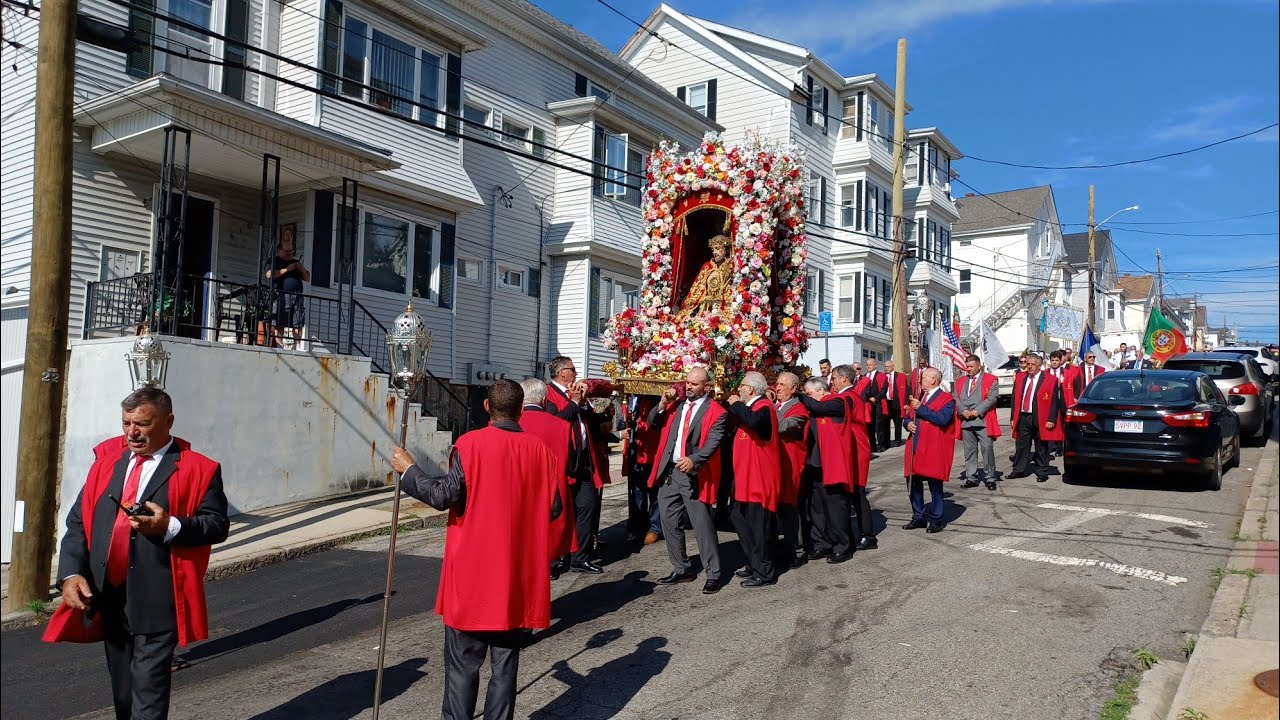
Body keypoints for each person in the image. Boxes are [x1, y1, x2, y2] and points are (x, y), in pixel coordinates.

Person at [45, 388, 230, 720]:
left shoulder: (198, 468)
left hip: (159, 594)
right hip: (108, 594)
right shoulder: (107, 463)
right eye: (126, 423)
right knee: (124, 693)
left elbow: (217, 525)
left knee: (148, 688)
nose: (132, 432)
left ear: (168, 421)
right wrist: (71, 574)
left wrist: (169, 525)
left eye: (142, 424)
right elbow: (78, 522)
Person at [392, 379, 561, 720]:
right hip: (515, 576)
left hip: (474, 576)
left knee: (462, 668)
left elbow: (443, 495)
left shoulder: (470, 445)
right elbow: (554, 509)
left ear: (487, 407)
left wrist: (409, 471)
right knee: (504, 667)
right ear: (520, 410)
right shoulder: (541, 450)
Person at [647, 367, 729, 594]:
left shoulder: (717, 412)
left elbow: (714, 443)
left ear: (706, 386)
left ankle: (713, 573)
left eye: (694, 384)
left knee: (702, 525)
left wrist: (694, 460)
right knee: (669, 521)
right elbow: (652, 422)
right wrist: (662, 403)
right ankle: (681, 568)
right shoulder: (677, 405)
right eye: (687, 383)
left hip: (694, 474)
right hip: (671, 473)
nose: (689, 387)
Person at [544, 356, 603, 575]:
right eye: (573, 369)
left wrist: (584, 403)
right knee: (559, 512)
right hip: (562, 464)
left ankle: (581, 557)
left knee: (586, 508)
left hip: (583, 461)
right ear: (561, 373)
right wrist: (574, 403)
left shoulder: (577, 394)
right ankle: (554, 558)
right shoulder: (548, 394)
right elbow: (556, 422)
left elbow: (592, 424)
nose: (576, 373)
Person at [726, 372, 781, 587]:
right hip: (745, 480)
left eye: (741, 386)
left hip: (760, 480)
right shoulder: (750, 408)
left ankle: (764, 571)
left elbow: (755, 422)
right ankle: (753, 562)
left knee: (758, 528)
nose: (738, 389)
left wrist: (737, 405)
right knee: (739, 519)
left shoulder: (764, 407)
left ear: (750, 389)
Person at [517, 378, 577, 577]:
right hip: (551, 489)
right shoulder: (560, 425)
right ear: (544, 400)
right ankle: (548, 563)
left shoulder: (512, 423)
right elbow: (571, 461)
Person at [796, 377, 855, 563]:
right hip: (815, 464)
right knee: (817, 508)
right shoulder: (815, 404)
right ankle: (822, 543)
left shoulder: (837, 402)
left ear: (821, 390)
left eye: (809, 393)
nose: (808, 398)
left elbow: (818, 408)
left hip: (832, 465)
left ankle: (842, 546)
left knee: (836, 508)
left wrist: (797, 394)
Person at [904, 368, 956, 533]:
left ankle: (936, 519)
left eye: (924, 377)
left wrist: (921, 408)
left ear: (933, 380)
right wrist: (907, 424)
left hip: (932, 447)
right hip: (915, 445)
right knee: (914, 483)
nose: (921, 379)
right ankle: (918, 516)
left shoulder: (947, 399)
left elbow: (942, 419)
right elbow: (907, 416)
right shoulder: (919, 396)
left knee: (935, 484)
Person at [833, 364, 876, 551]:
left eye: (834, 377)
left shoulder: (849, 397)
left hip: (856, 450)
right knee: (852, 494)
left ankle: (868, 535)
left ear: (844, 378)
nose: (832, 381)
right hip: (849, 449)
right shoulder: (845, 396)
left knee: (858, 494)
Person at [1009, 353, 1064, 483]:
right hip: (1024, 416)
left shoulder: (1050, 379)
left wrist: (1051, 419)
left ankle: (1042, 472)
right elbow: (1014, 398)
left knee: (1041, 446)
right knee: (1022, 445)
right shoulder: (1021, 377)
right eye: (1028, 364)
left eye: (1032, 364)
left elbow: (1055, 402)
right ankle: (1018, 470)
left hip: (1041, 417)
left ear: (1039, 365)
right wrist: (1013, 417)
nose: (1029, 367)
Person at [775, 372, 810, 567]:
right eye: (776, 384)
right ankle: (785, 547)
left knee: (789, 510)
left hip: (791, 466)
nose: (777, 388)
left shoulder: (799, 410)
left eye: (782, 385)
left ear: (794, 388)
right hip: (776, 465)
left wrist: (768, 406)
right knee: (779, 509)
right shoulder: (778, 406)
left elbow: (782, 427)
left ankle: (797, 550)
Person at [621, 393, 663, 546]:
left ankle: (655, 527)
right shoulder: (632, 398)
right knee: (637, 490)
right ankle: (638, 525)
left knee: (654, 490)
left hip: (653, 447)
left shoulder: (655, 398)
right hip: (636, 447)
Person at [956, 354, 1001, 490]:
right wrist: (963, 411)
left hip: (983, 420)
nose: (968, 369)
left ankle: (990, 477)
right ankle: (971, 477)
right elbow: (955, 398)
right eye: (967, 366)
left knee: (987, 449)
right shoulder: (960, 381)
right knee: (969, 451)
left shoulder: (991, 380)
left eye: (971, 366)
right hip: (966, 422)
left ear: (979, 366)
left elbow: (992, 398)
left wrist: (976, 411)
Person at [262, 232, 310, 348]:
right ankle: (280, 346)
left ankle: (297, 346)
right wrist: (286, 270)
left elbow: (307, 278)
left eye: (291, 251)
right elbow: (269, 274)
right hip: (281, 295)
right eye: (287, 251)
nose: (290, 253)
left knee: (297, 322)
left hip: (297, 296)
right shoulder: (273, 261)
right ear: (279, 251)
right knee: (280, 322)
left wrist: (302, 269)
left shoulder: (295, 262)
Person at [675, 234, 733, 322]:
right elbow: (697, 290)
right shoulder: (707, 267)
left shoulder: (731, 266)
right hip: (705, 310)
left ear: (726, 250)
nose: (714, 252)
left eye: (717, 248)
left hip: (725, 309)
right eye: (713, 250)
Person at [863, 358, 890, 453]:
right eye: (867, 364)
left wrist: (876, 398)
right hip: (868, 405)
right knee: (869, 426)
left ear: (875, 365)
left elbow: (884, 390)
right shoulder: (865, 376)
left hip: (878, 404)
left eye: (870, 364)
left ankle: (881, 445)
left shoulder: (882, 376)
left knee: (879, 426)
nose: (868, 366)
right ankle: (873, 446)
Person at [884, 360, 908, 447]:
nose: (886, 368)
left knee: (897, 423)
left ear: (893, 366)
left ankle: (897, 440)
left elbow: (906, 390)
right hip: (886, 402)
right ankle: (886, 440)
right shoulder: (883, 376)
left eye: (888, 367)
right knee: (886, 423)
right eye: (885, 367)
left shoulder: (901, 376)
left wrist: (906, 403)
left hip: (897, 402)